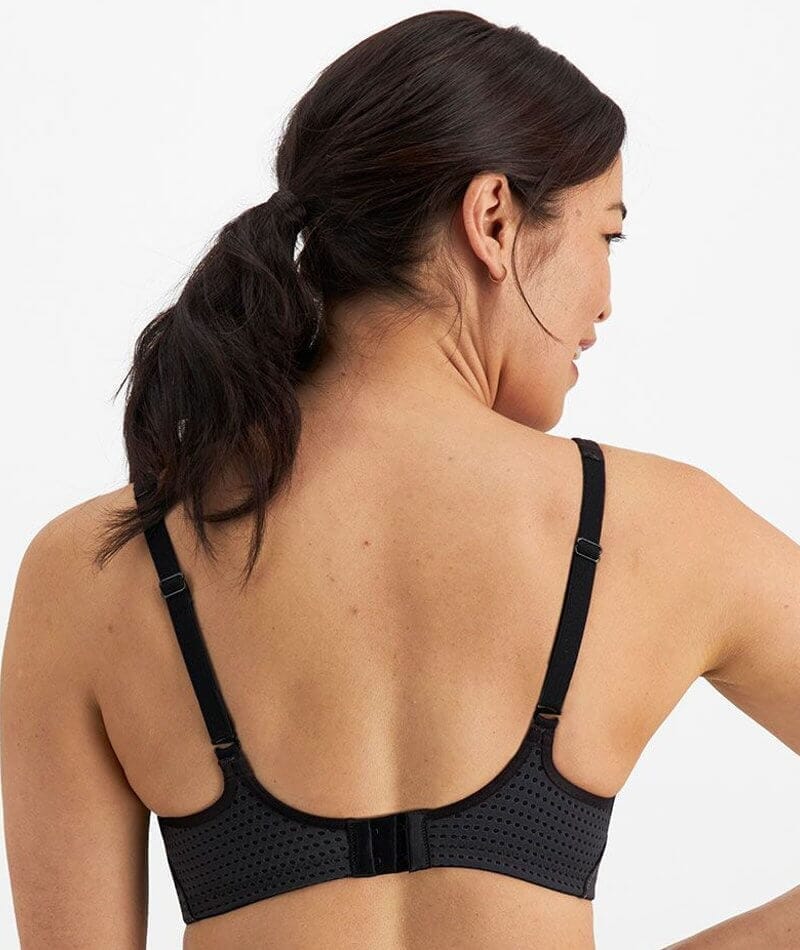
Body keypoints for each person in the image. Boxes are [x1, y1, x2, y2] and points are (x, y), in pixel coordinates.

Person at [1, 10, 798, 950]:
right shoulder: (666, 532)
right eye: (607, 236)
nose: (606, 301)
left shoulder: (91, 573)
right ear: (493, 219)